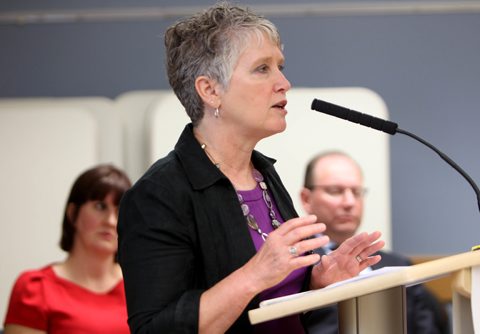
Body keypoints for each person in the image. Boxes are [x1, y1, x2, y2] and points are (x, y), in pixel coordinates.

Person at [117, 2, 385, 334]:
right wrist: (254, 274)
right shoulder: (157, 197)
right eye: (262, 68)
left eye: (280, 66)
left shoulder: (264, 175)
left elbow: (276, 304)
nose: (284, 82)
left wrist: (318, 282)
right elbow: (155, 329)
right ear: (210, 90)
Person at [300, 150, 450, 334]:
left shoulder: (398, 265)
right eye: (335, 191)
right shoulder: (299, 267)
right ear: (306, 199)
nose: (349, 202)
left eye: (356, 192)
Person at [4, 164, 132, 334]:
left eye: (120, 211)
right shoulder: (35, 289)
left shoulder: (141, 286)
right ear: (73, 213)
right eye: (100, 207)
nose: (110, 221)